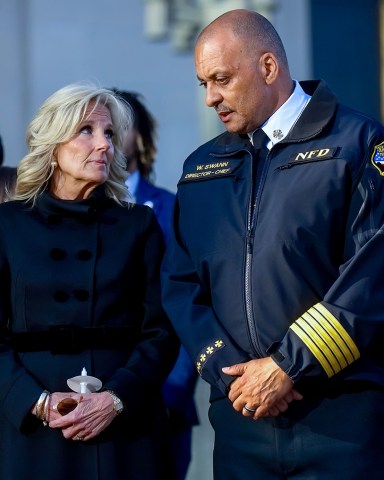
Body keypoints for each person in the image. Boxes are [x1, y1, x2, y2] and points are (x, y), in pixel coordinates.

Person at [161, 8, 384, 480]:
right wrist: (231, 373)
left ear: (267, 67)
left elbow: (372, 273)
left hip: (341, 422)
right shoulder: (200, 169)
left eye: (221, 78)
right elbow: (180, 285)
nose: (210, 98)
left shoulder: (358, 143)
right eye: (203, 83)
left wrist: (286, 367)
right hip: (241, 424)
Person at [0, 83, 179, 480]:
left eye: (110, 134)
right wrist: (36, 402)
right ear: (53, 142)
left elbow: (162, 332)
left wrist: (115, 399)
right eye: (87, 130)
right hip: (34, 431)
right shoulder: (7, 227)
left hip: (126, 429)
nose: (105, 145)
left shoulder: (138, 226)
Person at [112, 89, 199, 480]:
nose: (108, 133)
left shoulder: (170, 208)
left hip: (161, 400)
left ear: (141, 137)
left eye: (120, 123)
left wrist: (171, 392)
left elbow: (188, 301)